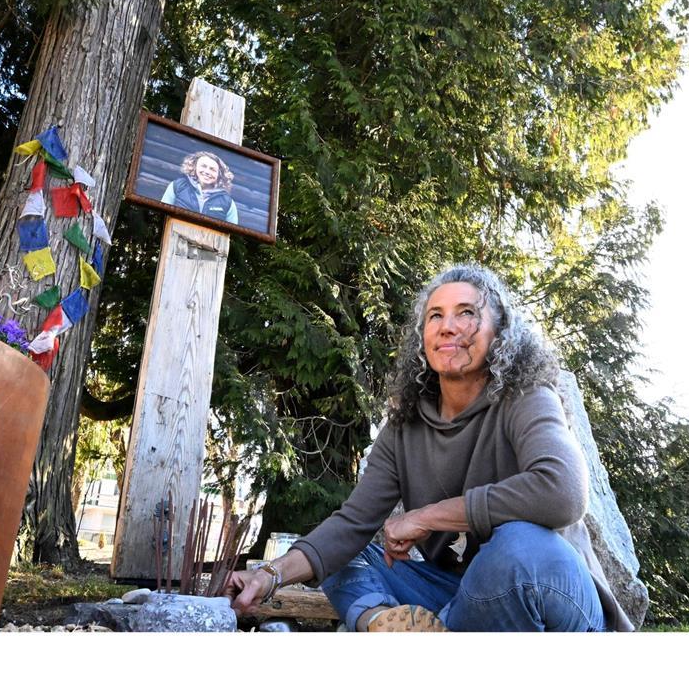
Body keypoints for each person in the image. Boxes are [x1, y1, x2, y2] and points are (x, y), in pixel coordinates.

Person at [224, 264, 634, 631]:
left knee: (515, 545)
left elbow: (562, 492)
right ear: (422, 337)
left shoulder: (525, 396)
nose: (447, 326)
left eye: (467, 313)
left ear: (501, 332)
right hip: (459, 595)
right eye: (435, 315)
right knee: (343, 557)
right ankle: (382, 624)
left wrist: (429, 516)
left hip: (549, 590)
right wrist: (269, 575)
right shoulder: (405, 424)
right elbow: (351, 524)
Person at [160, 150, 239, 225]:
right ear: (194, 167)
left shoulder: (228, 202)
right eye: (203, 166)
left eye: (212, 169)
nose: (207, 172)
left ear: (219, 175)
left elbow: (231, 233)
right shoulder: (177, 186)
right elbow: (162, 214)